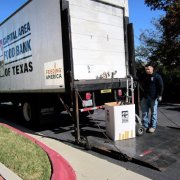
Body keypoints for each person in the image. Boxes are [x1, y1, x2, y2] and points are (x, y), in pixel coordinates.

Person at [138, 63, 164, 133]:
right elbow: (137, 78)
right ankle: (145, 125)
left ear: (152, 68)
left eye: (148, 69)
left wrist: (160, 95)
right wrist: (130, 76)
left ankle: (153, 126)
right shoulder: (144, 76)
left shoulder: (157, 76)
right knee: (144, 112)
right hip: (145, 97)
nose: (147, 70)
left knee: (154, 113)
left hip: (154, 97)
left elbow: (161, 86)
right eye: (146, 69)